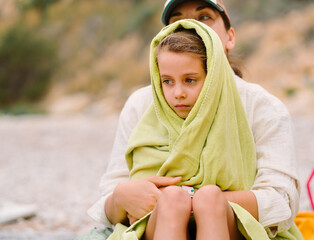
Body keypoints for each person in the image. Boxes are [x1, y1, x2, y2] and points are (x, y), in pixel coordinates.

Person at [83, 0, 302, 239]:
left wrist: (194, 199)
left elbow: (282, 202)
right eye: (178, 22)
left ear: (229, 37)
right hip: (156, 227)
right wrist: (121, 198)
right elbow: (108, 202)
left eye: (204, 17)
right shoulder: (140, 105)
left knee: (201, 201)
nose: (191, 28)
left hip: (232, 230)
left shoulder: (261, 106)